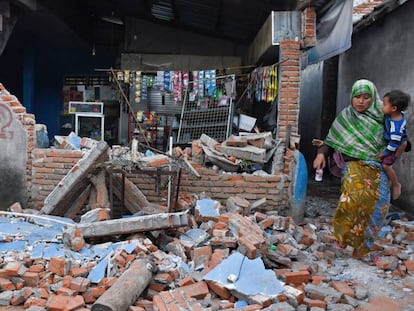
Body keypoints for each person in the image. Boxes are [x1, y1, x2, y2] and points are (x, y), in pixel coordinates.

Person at [313, 79, 410, 260]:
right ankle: (343, 237)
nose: (361, 101)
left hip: (378, 166)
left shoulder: (385, 115)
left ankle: (363, 247)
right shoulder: (346, 117)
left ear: (373, 98)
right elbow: (330, 140)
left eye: (366, 97)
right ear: (352, 97)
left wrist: (400, 149)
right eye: (357, 97)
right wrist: (321, 154)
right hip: (355, 164)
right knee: (352, 200)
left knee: (379, 206)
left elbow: (402, 137)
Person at [377, 90, 410, 200]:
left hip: (395, 145)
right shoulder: (395, 114)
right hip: (400, 141)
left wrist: (384, 153)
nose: (382, 106)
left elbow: (393, 144)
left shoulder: (396, 126)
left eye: (385, 104)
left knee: (386, 165)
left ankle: (396, 184)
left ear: (394, 108)